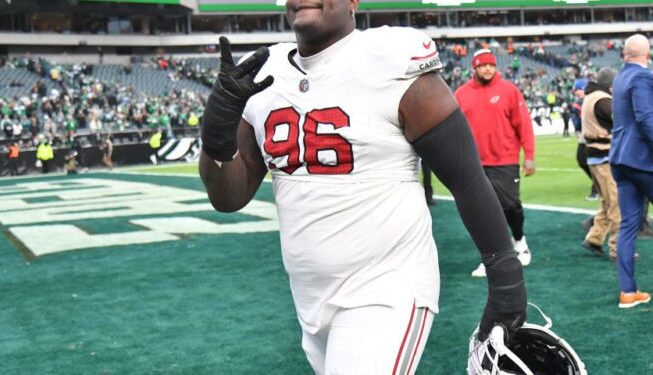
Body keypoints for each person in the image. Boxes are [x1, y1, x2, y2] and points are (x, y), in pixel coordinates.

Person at [198, 1, 527, 373]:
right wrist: (216, 134)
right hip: (309, 297)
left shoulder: (390, 60)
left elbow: (466, 178)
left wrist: (505, 275)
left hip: (387, 284)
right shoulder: (265, 73)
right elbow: (227, 196)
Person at [454, 49, 535, 278]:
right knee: (483, 213)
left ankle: (519, 241)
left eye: (491, 65)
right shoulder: (461, 93)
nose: (488, 69)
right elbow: (455, 129)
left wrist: (529, 155)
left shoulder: (509, 90)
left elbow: (524, 124)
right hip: (474, 163)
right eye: (483, 65)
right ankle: (490, 257)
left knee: (511, 206)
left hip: (505, 160)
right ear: (475, 67)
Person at [609, 34, 653, 309]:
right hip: (642, 160)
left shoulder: (620, 78)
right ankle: (628, 292)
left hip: (620, 160)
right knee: (629, 226)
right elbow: (646, 117)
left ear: (626, 53)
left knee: (628, 226)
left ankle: (628, 292)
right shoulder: (642, 78)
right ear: (646, 54)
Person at [580, 67, 620, 260]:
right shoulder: (604, 100)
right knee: (616, 203)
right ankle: (618, 248)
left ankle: (594, 238)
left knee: (607, 201)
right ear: (610, 85)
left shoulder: (591, 96)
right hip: (604, 157)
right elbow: (619, 121)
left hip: (595, 157)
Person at [572, 79, 601, 201]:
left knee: (593, 162)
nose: (576, 92)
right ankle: (598, 184)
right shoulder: (579, 103)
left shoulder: (593, 100)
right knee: (582, 159)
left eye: (578, 89)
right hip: (584, 136)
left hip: (593, 135)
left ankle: (597, 186)